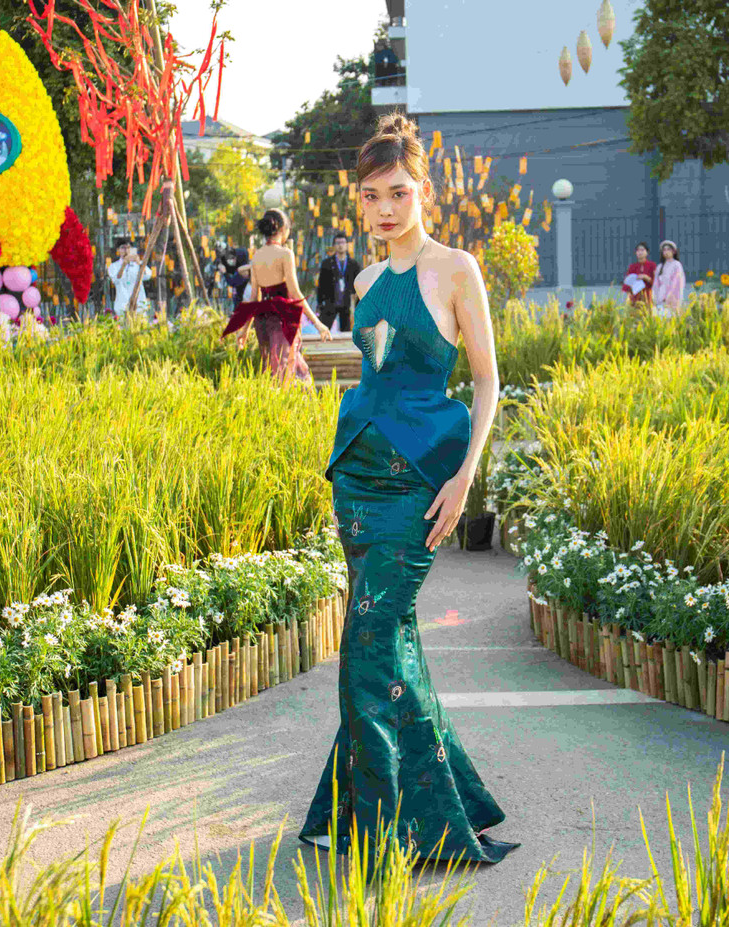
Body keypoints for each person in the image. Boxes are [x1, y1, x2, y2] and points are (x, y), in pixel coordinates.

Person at [298, 112, 520, 870]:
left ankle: (380, 822)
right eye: (370, 196)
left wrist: (466, 478)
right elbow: (374, 377)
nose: (384, 209)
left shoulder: (457, 269)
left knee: (368, 635)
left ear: (423, 189)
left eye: (397, 192)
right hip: (358, 476)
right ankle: (434, 809)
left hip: (421, 481)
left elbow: (486, 380)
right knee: (388, 643)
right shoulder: (364, 280)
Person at [220, 208, 332, 384]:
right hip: (282, 319)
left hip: (262, 322)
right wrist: (317, 324)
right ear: (282, 228)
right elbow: (295, 293)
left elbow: (254, 299)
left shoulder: (257, 256)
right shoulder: (285, 254)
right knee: (286, 373)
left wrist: (244, 330)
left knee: (273, 372)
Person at [315, 231, 362, 333]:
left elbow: (359, 286)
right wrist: (319, 303)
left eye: (343, 243)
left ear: (347, 245)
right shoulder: (327, 263)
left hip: (347, 303)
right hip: (330, 301)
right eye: (338, 243)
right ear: (334, 246)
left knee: (347, 333)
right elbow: (321, 285)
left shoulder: (354, 264)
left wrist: (357, 304)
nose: (340, 245)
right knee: (324, 330)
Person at [107, 238, 153, 319]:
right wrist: (123, 265)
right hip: (122, 305)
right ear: (118, 250)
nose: (126, 250)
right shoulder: (114, 266)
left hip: (139, 305)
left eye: (128, 248)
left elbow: (148, 275)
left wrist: (139, 263)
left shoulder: (138, 264)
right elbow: (115, 279)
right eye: (123, 248)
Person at [650, 239, 685, 318]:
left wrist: (669, 296)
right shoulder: (660, 267)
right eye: (664, 250)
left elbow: (676, 283)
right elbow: (656, 284)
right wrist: (654, 296)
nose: (666, 252)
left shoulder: (676, 265)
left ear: (674, 251)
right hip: (660, 298)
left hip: (671, 299)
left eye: (668, 249)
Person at [621, 241, 656, 309]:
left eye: (642, 250)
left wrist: (646, 277)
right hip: (635, 298)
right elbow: (627, 284)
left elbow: (656, 284)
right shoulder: (632, 267)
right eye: (638, 250)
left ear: (647, 252)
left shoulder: (652, 265)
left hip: (648, 298)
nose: (640, 252)